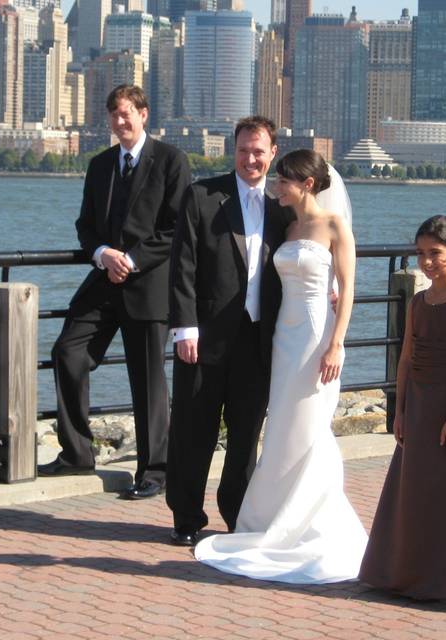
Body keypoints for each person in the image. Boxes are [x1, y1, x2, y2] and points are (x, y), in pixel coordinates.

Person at [193, 149, 368, 582]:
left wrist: (337, 344)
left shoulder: (334, 226)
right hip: (282, 337)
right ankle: (275, 517)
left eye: (284, 180)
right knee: (284, 426)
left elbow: (346, 290)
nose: (276, 186)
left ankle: (311, 520)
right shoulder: (287, 225)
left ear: (307, 184)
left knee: (310, 425)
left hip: (315, 335)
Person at [38, 85, 191, 501]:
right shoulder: (100, 164)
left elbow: (177, 228)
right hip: (104, 283)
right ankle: (76, 453)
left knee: (147, 382)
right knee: (67, 353)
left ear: (144, 114)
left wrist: (133, 259)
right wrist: (103, 253)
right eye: (113, 115)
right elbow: (85, 225)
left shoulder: (172, 161)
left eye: (126, 114)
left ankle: (155, 471)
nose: (119, 122)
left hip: (149, 288)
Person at [166, 116, 295, 546]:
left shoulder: (283, 206)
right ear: (233, 150)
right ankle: (186, 517)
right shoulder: (202, 196)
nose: (250, 159)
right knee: (193, 429)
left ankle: (236, 513)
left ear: (272, 153)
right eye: (243, 150)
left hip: (258, 340)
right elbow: (182, 265)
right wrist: (185, 328)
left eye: (259, 151)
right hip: (203, 337)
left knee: (245, 435)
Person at [358, 215, 446, 602]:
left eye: (436, 254)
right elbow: (407, 360)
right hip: (418, 409)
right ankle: (402, 575)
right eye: (421, 254)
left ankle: (439, 582)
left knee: (444, 498)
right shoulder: (417, 301)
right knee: (409, 495)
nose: (427, 262)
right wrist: (399, 411)